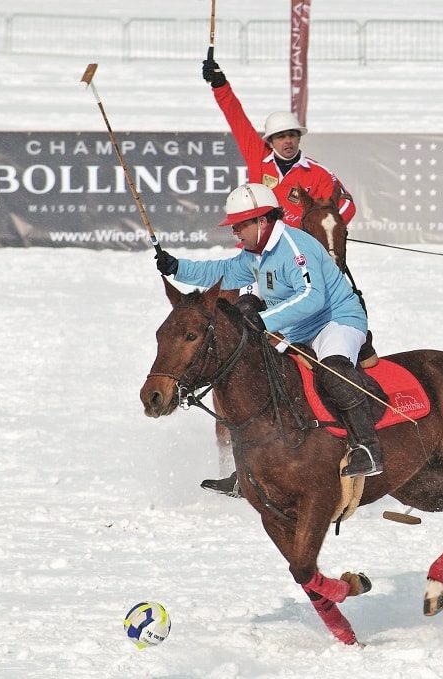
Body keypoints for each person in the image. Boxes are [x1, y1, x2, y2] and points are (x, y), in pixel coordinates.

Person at [154, 183, 384, 484]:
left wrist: (264, 320)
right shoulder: (255, 253)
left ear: (262, 221)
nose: (235, 232)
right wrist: (177, 268)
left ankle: (367, 447)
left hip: (336, 320)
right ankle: (253, 467)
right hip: (298, 327)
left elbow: (312, 297)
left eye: (240, 225)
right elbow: (221, 272)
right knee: (260, 378)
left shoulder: (294, 248)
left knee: (333, 373)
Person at [201, 56, 356, 230]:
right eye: (281, 137)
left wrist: (322, 229)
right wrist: (219, 85)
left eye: (292, 135)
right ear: (271, 141)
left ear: (299, 138)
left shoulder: (318, 173)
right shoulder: (258, 155)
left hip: (297, 248)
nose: (288, 141)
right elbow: (236, 118)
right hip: (258, 246)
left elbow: (347, 205)